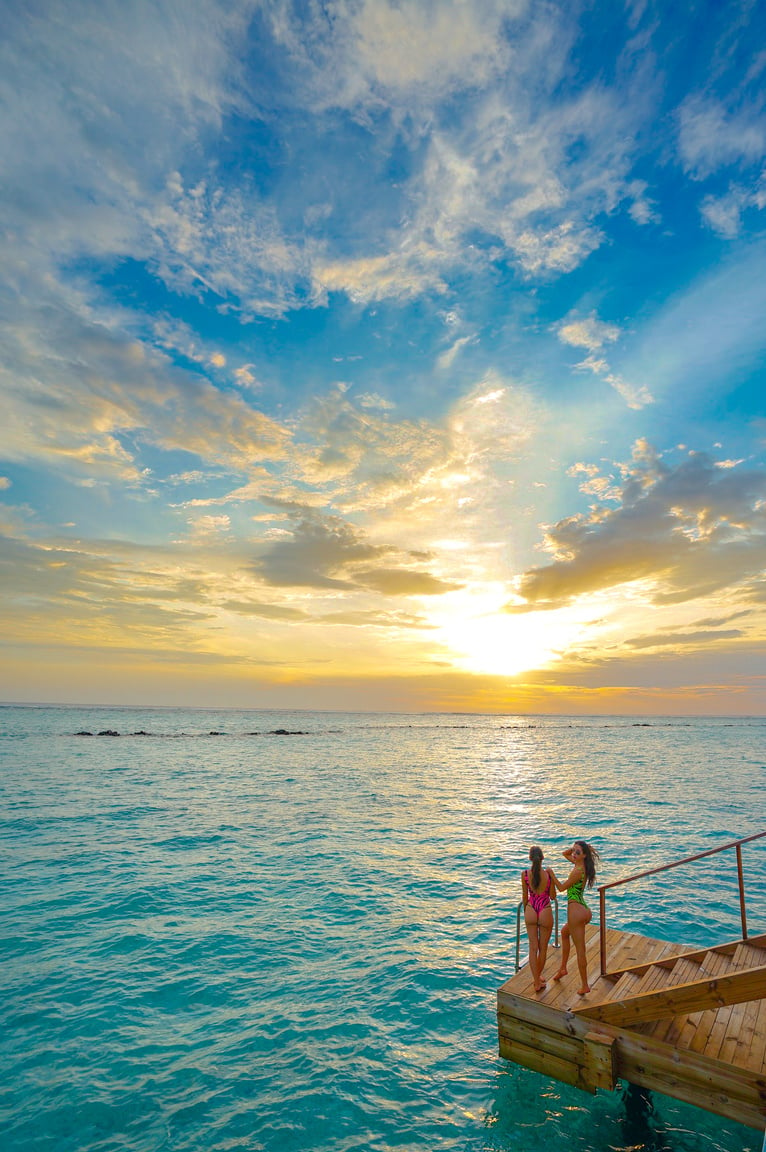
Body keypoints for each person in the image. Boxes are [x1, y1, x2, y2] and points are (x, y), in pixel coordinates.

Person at [552, 839, 600, 995]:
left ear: (584, 856)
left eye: (577, 852)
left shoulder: (577, 871)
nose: (573, 854)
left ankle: (585, 985)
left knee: (580, 950)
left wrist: (550, 873)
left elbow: (560, 888)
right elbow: (564, 854)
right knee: (564, 933)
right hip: (583, 909)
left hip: (576, 912)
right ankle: (563, 968)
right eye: (573, 851)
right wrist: (578, 849)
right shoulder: (582, 866)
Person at [521, 845, 556, 993]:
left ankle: (536, 981)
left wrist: (526, 911)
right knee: (542, 948)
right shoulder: (548, 874)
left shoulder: (525, 874)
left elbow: (524, 897)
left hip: (531, 909)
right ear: (542, 858)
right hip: (544, 909)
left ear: (530, 858)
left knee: (532, 947)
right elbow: (553, 896)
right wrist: (552, 878)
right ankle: (538, 978)